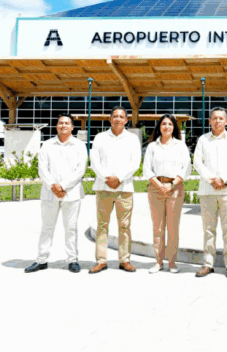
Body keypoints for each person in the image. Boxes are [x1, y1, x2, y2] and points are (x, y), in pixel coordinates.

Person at [25, 113, 87, 274]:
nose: (63, 126)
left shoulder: (79, 146)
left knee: (71, 228)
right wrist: (53, 185)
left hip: (71, 194)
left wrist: (64, 186)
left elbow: (81, 170)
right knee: (47, 227)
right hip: (49, 193)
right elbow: (42, 168)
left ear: (72, 127)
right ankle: (41, 260)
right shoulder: (47, 145)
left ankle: (72, 259)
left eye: (67, 123)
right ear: (56, 126)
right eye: (60, 123)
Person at [89, 106, 142, 274]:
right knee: (102, 224)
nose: (118, 119)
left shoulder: (133, 139)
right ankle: (101, 260)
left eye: (121, 116)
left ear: (126, 120)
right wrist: (107, 178)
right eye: (115, 116)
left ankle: (125, 260)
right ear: (109, 119)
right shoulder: (100, 138)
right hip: (103, 187)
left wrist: (119, 178)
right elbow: (94, 161)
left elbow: (135, 163)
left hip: (124, 188)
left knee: (124, 226)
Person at [194, 107, 227, 279]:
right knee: (208, 230)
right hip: (208, 191)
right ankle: (208, 264)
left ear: (226, 121)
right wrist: (212, 179)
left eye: (221, 118)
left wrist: (222, 178)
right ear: (209, 121)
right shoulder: (203, 140)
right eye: (214, 118)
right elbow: (198, 163)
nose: (217, 121)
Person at [142, 114, 191, 274]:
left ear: (174, 127)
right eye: (164, 124)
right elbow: (147, 169)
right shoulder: (152, 146)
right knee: (158, 227)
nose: (167, 127)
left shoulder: (180, 146)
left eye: (170, 124)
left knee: (172, 226)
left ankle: (172, 262)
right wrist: (160, 185)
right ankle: (158, 261)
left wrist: (171, 184)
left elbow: (186, 168)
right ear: (159, 127)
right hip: (156, 188)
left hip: (175, 188)